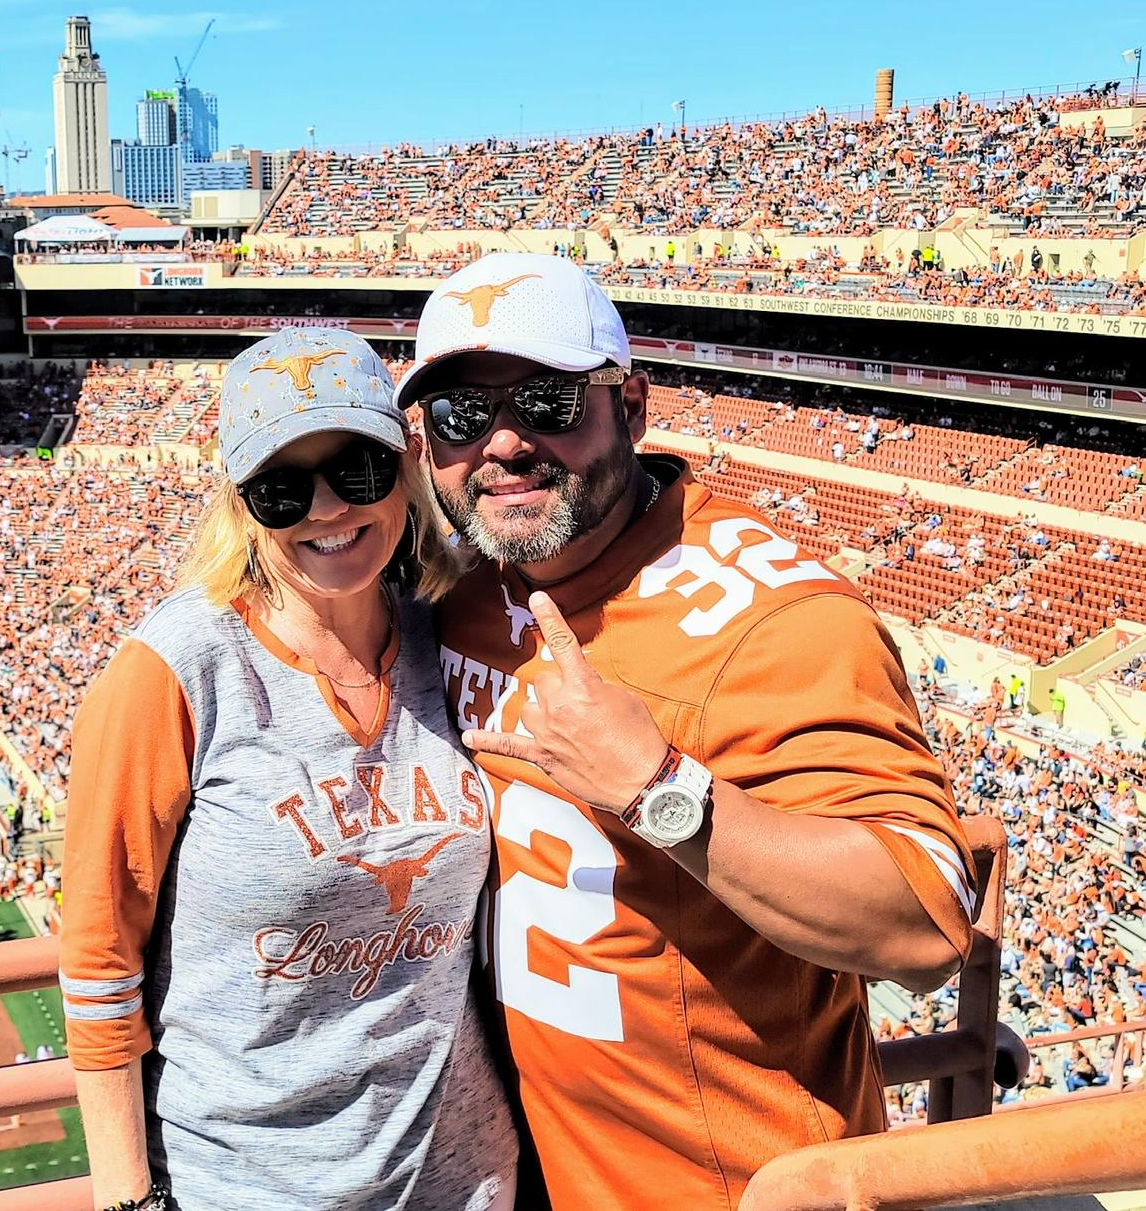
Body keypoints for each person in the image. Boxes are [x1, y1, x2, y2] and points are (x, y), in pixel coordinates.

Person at [394, 253, 977, 1210]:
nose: (501, 444)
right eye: (462, 415)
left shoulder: (778, 622)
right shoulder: (467, 580)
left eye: (547, 401)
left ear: (631, 405)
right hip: (538, 1171)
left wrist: (661, 789)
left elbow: (922, 921)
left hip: (736, 1184)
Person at [60, 329, 516, 1211]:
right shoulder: (176, 671)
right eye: (280, 489)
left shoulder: (453, 633)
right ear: (239, 503)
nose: (326, 510)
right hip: (246, 1182)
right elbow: (99, 951)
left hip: (464, 1175)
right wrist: (128, 1199)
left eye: (356, 470)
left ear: (407, 460)